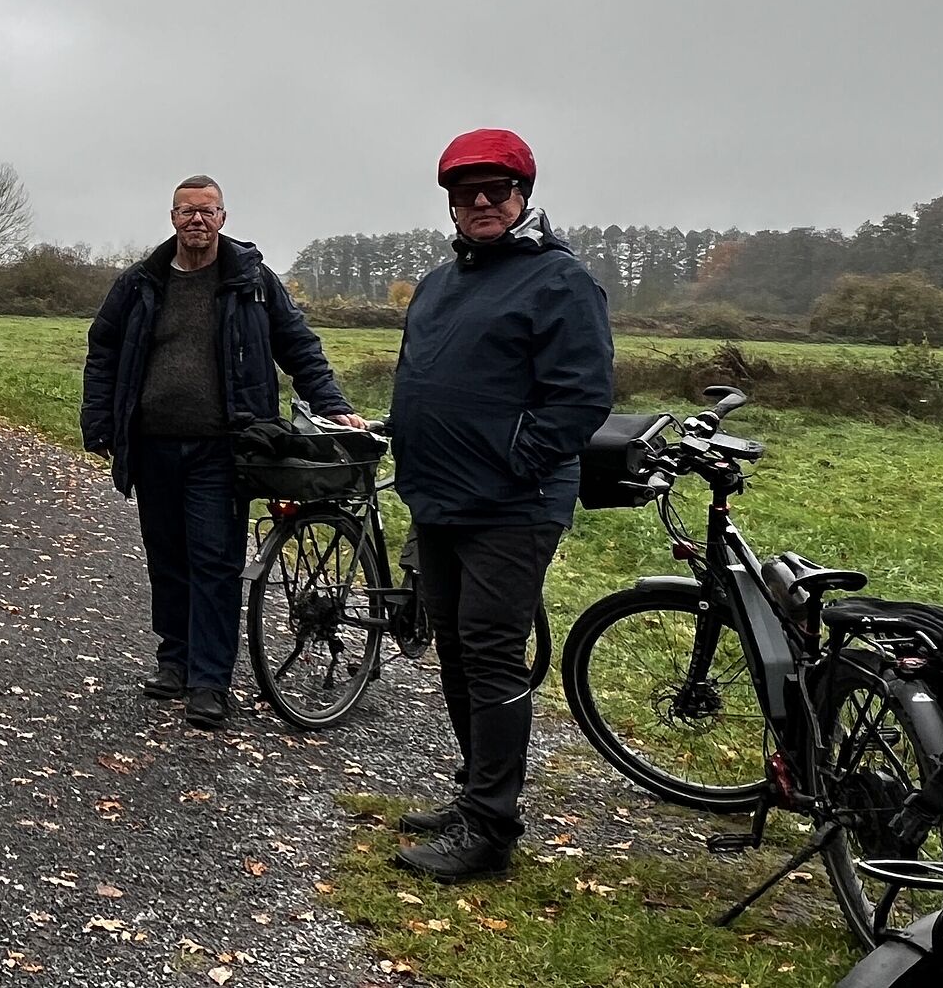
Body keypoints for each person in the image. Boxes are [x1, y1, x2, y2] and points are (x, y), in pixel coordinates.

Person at [387, 128, 613, 882]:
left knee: (488, 655)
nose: (481, 202)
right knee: (453, 648)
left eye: (497, 190)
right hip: (440, 497)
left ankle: (490, 830)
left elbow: (580, 396)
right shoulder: (441, 282)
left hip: (513, 504)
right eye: (465, 192)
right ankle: (476, 792)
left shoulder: (559, 281)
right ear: (450, 203)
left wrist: (518, 458)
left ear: (522, 198)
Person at [81, 176, 364, 730]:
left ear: (223, 217)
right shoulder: (140, 283)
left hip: (222, 447)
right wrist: (99, 420)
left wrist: (331, 404)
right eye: (187, 212)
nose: (196, 221)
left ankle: (210, 682)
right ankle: (175, 662)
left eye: (206, 211)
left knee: (214, 560)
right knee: (168, 556)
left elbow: (298, 344)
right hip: (152, 444)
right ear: (172, 218)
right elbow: (104, 349)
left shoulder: (251, 281)